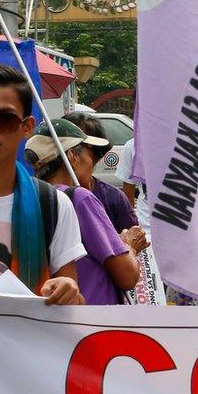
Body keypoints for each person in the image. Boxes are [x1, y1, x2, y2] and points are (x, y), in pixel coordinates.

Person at [0, 63, 84, 304]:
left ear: (26, 127)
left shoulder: (53, 205)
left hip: (26, 338)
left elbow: (75, 306)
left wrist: (69, 291)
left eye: (5, 119)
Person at [25, 118, 139, 305]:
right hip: (93, 319)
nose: (93, 161)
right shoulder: (79, 198)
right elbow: (127, 275)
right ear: (72, 156)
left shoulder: (31, 197)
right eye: (90, 153)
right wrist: (129, 245)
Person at [62, 111, 139, 234]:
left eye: (77, 148)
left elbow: (134, 241)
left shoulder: (114, 198)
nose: (68, 155)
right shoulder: (49, 198)